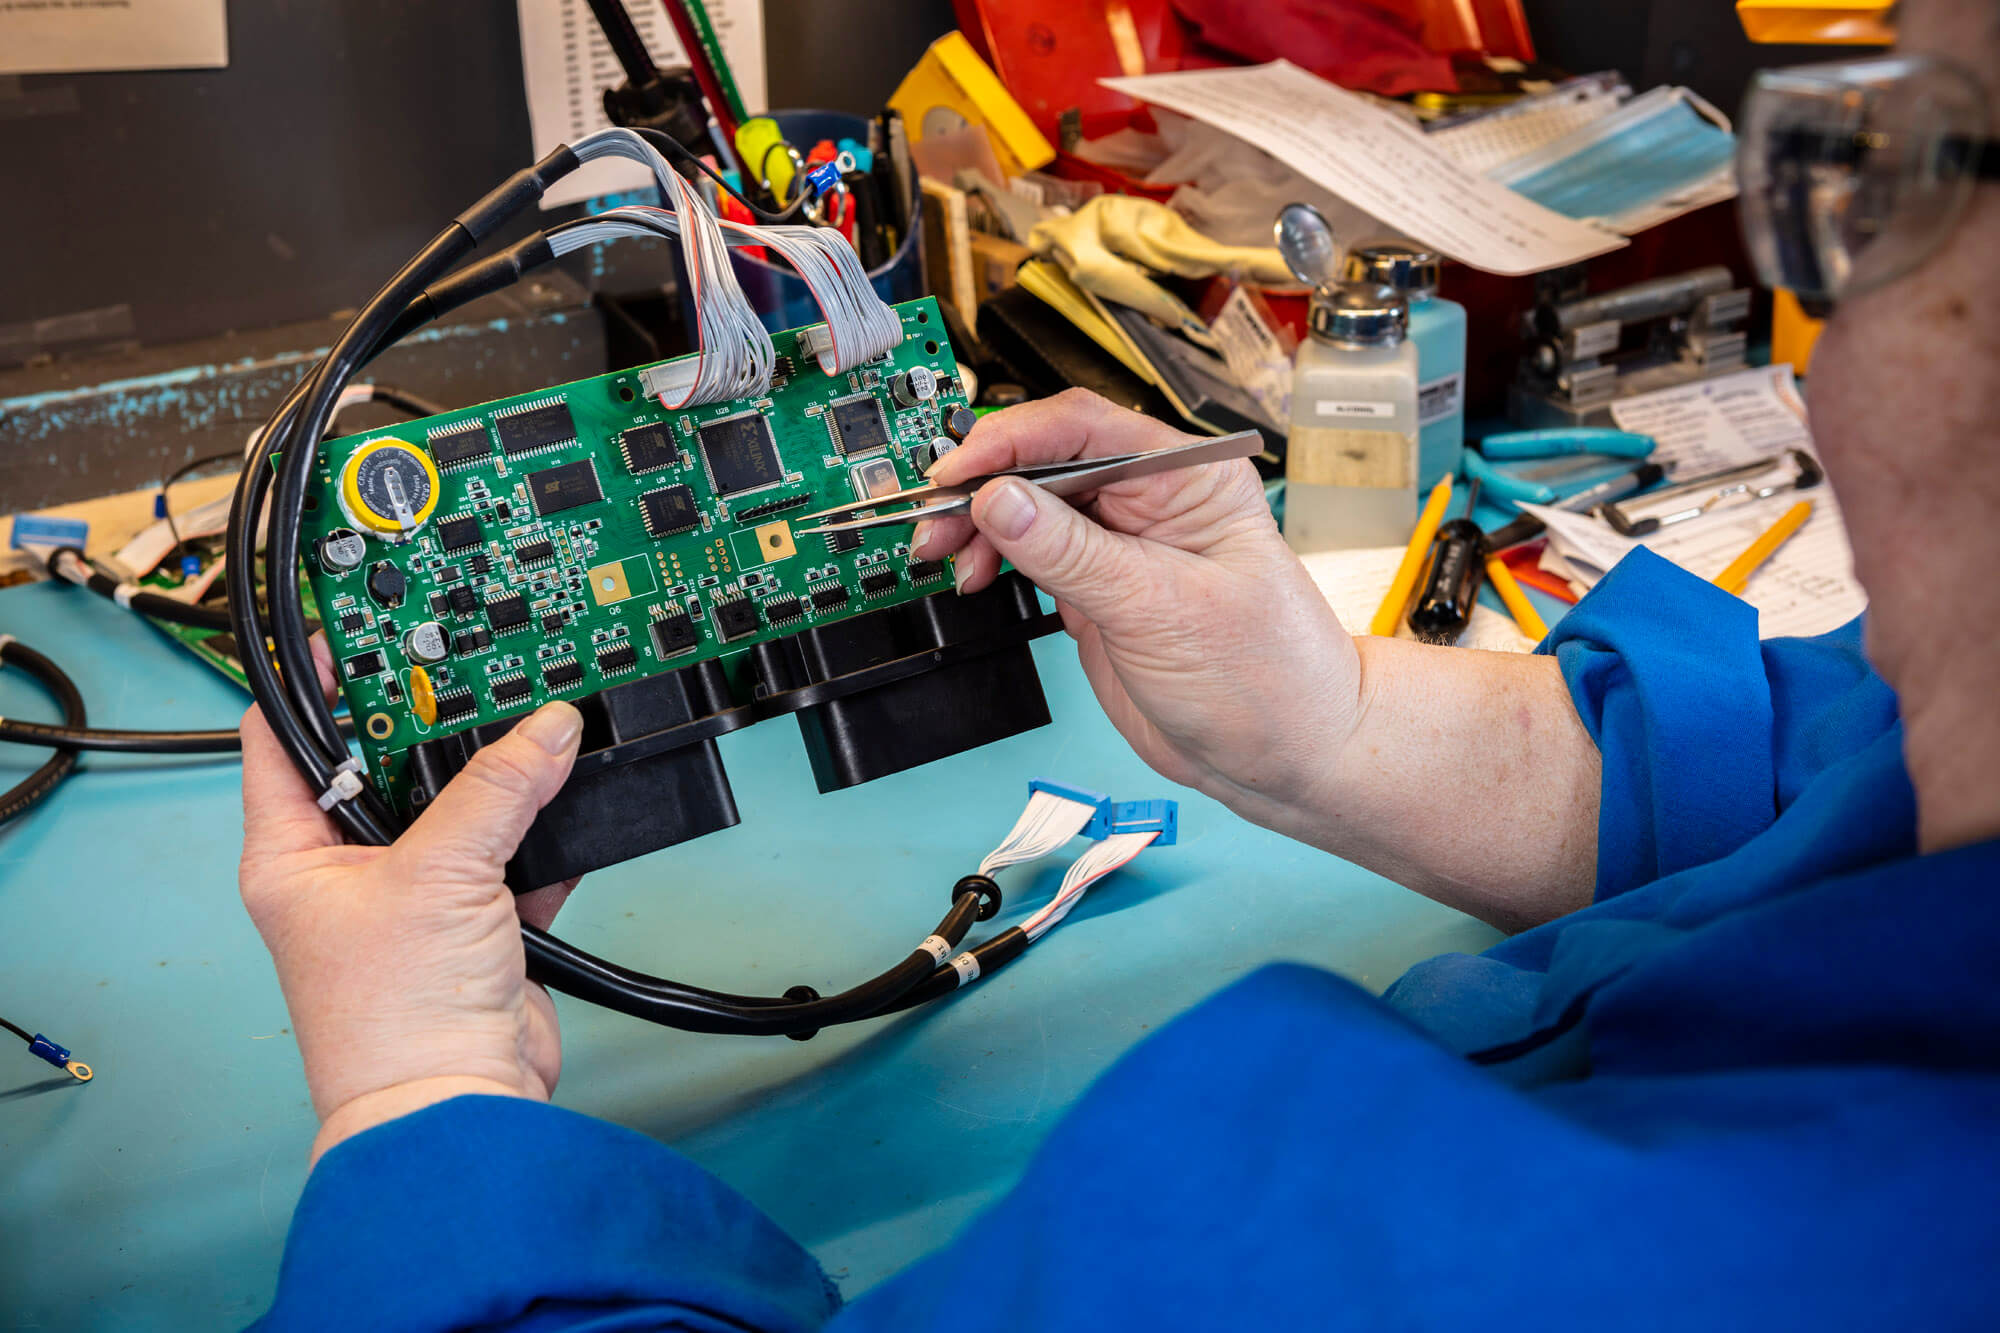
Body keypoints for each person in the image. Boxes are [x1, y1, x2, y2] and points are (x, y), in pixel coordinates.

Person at [240, 4, 1998, 1327]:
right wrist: (1343, 720)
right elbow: (1826, 767)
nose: (1825, 355)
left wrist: (421, 1097)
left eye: (1908, 179)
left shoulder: (1434, 1265)